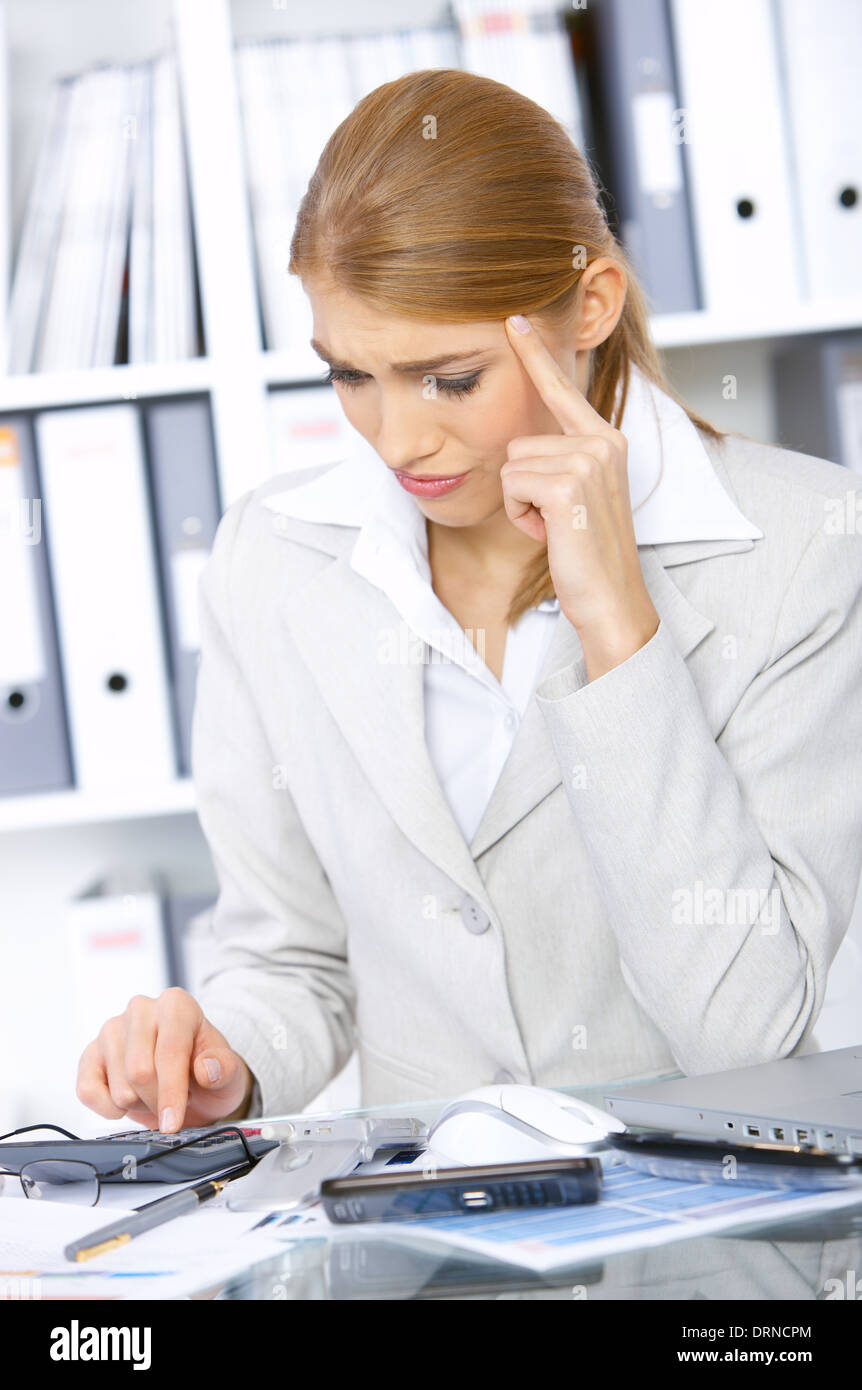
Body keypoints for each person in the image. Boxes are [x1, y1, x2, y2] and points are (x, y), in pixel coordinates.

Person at [76, 68, 862, 1136]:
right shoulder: (273, 557)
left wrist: (619, 627)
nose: (396, 440)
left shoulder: (803, 550)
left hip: (706, 1255)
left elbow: (746, 1031)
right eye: (349, 376)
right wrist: (229, 1056)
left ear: (589, 305)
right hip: (419, 1257)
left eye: (448, 378)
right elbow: (291, 957)